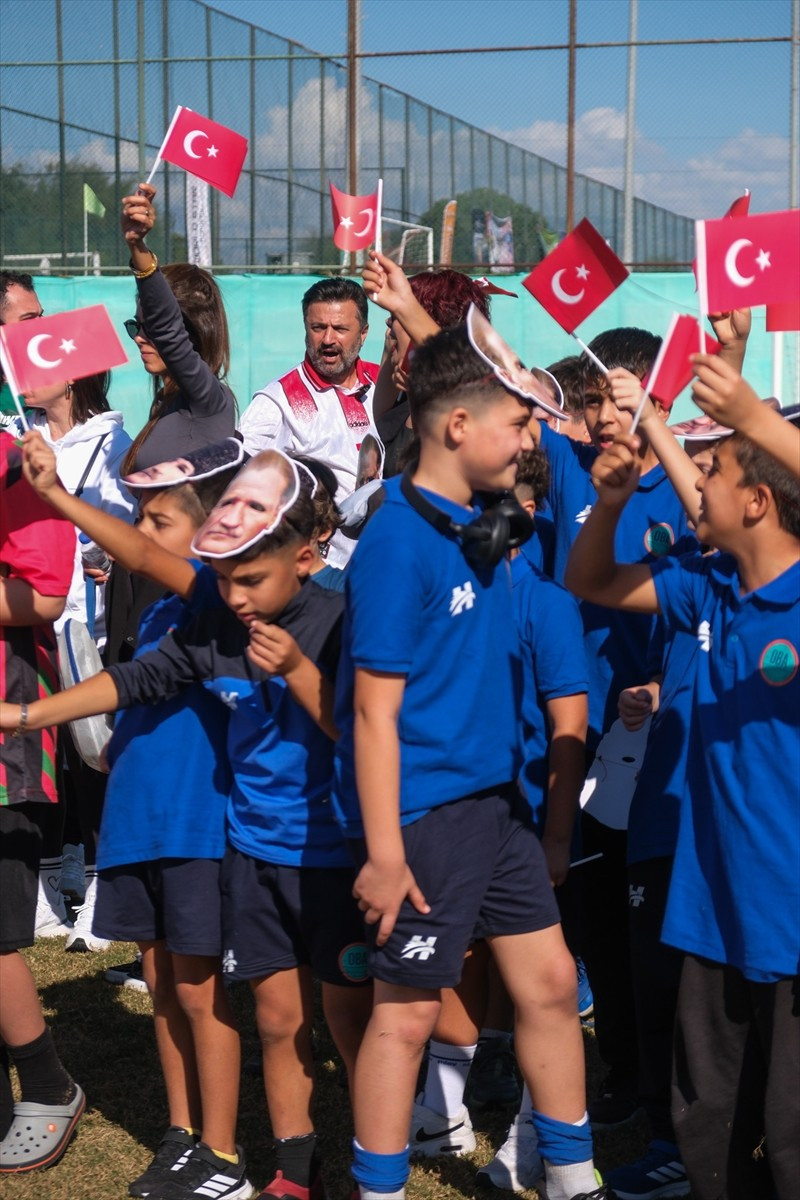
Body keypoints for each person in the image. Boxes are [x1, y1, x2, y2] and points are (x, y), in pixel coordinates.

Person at [2, 453, 373, 1200]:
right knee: (263, 1013)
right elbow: (136, 674)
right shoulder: (208, 618)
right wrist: (29, 713)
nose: (232, 593)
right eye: (223, 577)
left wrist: (298, 668)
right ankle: (279, 1166)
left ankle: (374, 1157)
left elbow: (361, 725)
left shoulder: (329, 618)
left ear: (304, 556)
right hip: (233, 844)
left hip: (312, 848)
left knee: (343, 1016)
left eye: (246, 577)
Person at [333, 324, 607, 1200]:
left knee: (553, 984)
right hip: (426, 819)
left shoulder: (480, 529)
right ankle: (379, 1190)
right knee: (407, 1014)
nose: (532, 441)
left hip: (499, 810)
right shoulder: (396, 543)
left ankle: (571, 1174)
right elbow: (372, 713)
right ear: (455, 426)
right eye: (518, 424)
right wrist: (385, 851)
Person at [564, 421, 800, 1200]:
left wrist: (737, 398)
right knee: (708, 1117)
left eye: (716, 473)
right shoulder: (708, 585)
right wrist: (609, 503)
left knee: (793, 1129)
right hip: (709, 910)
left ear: (759, 502)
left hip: (791, 922)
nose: (695, 485)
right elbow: (591, 579)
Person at [18, 430, 245, 1200]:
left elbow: (150, 559)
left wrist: (56, 498)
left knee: (198, 991)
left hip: (193, 825)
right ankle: (183, 1134)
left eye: (158, 519)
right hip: (139, 822)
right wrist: (26, 715)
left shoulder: (215, 600)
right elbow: (127, 686)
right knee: (159, 982)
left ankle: (221, 1151)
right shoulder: (156, 620)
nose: (141, 537)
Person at [8, 370, 136, 950]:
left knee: (94, 760)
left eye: (39, 372)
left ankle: (104, 895)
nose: (21, 379)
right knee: (41, 768)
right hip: (32, 633)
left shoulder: (114, 443)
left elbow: (134, 525)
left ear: (73, 383)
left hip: (89, 625)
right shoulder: (17, 435)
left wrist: (96, 549)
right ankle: (48, 886)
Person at [0, 431, 85, 1176]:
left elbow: (47, 594)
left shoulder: (15, 462)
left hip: (9, 739)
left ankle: (50, 1086)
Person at [239, 278, 380, 566]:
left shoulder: (386, 385)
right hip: (324, 575)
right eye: (318, 328)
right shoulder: (276, 402)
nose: (328, 340)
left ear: (363, 333)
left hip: (391, 559)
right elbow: (240, 483)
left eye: (340, 329)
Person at [119, 182, 236, 472]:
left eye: (152, 329)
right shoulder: (167, 402)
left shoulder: (210, 399)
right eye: (137, 327)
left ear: (192, 333)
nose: (139, 339)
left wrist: (137, 246)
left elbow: (169, 331)